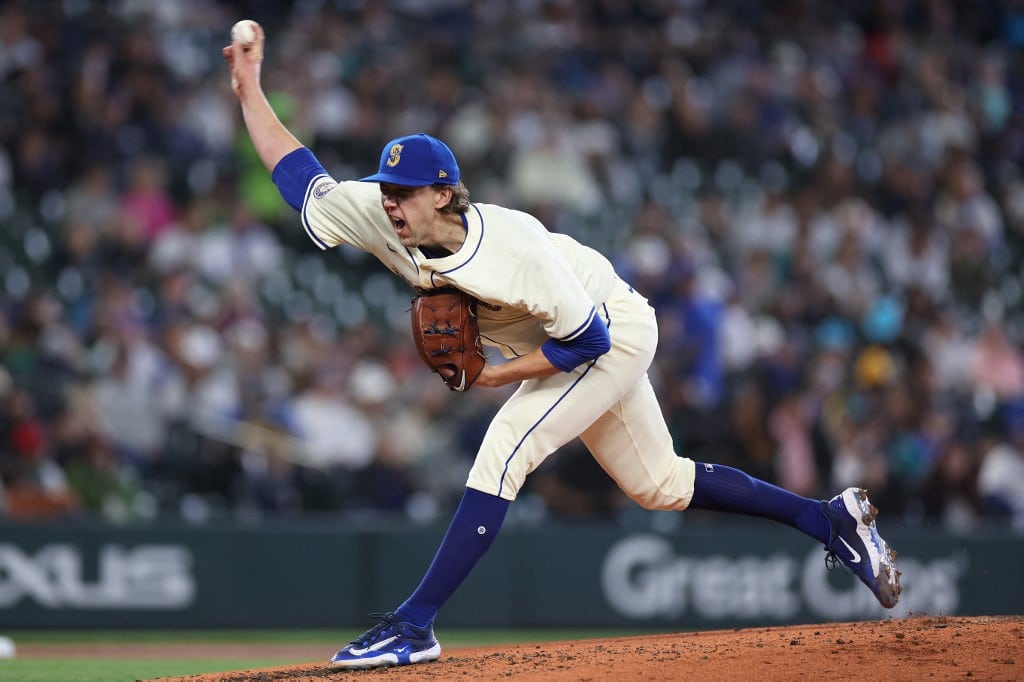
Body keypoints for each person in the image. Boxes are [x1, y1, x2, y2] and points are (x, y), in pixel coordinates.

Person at [224, 24, 901, 671]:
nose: (390, 202)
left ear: (444, 193)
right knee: (660, 486)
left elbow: (589, 344)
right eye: (386, 189)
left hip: (608, 329)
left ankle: (412, 626)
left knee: (505, 447)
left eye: (404, 192)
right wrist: (251, 88)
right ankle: (828, 519)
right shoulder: (381, 215)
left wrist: (495, 378)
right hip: (571, 339)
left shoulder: (515, 247)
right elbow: (299, 177)